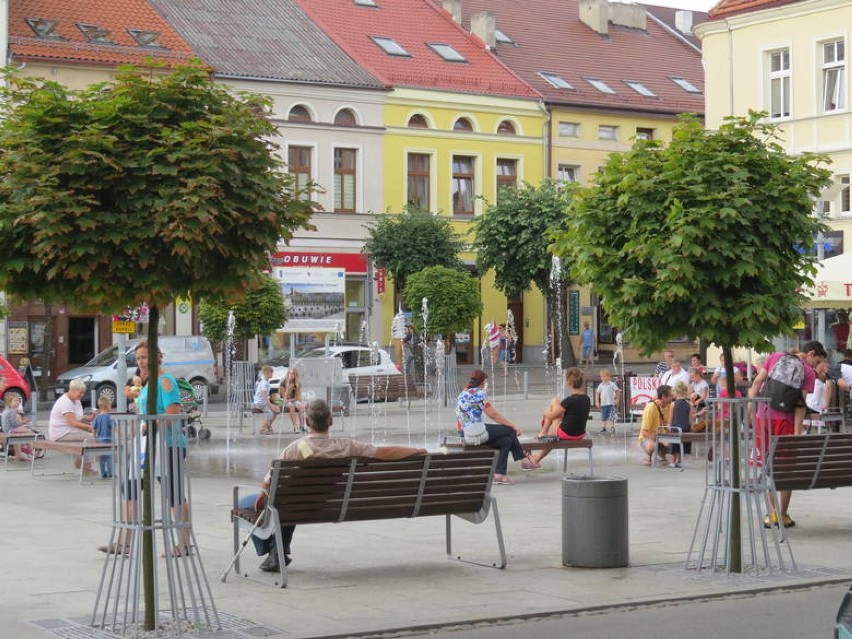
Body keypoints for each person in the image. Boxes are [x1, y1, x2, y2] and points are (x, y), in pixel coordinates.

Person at [240, 400, 426, 572]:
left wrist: (263, 493)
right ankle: (276, 553)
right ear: (331, 421)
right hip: (328, 503)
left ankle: (274, 552)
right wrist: (417, 450)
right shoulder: (347, 446)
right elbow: (385, 452)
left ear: (306, 421)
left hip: (295, 505)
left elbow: (270, 478)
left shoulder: (295, 448)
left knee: (247, 503)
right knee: (289, 501)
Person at [748, 340, 826, 529]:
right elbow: (800, 405)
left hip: (763, 418)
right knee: (786, 469)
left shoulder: (775, 357)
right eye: (817, 362)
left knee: (769, 466)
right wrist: (797, 433)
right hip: (785, 423)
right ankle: (782, 514)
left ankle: (772, 513)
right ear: (811, 353)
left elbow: (757, 383)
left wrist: (752, 410)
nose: (816, 367)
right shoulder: (807, 371)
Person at [135, 340, 193, 556]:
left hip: (169, 444)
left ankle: (184, 543)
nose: (141, 362)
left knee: (174, 493)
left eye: (145, 357)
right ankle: (126, 540)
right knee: (139, 488)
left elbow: (173, 412)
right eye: (138, 358)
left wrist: (150, 426)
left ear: (157, 357)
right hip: (152, 445)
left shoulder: (166, 381)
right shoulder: (149, 383)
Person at [456, 369, 540, 484]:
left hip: (465, 433)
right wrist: (514, 426)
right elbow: (494, 415)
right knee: (509, 430)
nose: (485, 384)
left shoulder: (463, 393)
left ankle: (499, 475)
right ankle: (524, 460)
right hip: (474, 433)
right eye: (485, 382)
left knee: (505, 441)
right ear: (481, 382)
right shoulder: (478, 393)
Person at [531, 367, 591, 464]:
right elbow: (574, 415)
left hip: (566, 433)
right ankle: (537, 458)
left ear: (569, 383)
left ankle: (542, 433)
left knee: (555, 401)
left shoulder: (569, 400)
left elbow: (551, 416)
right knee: (554, 426)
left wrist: (545, 413)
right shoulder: (587, 399)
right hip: (579, 434)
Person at [48, 377, 95, 472]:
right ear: (72, 390)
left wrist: (90, 418)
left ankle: (79, 461)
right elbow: (71, 422)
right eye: (80, 392)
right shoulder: (65, 402)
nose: (82, 395)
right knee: (91, 439)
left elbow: (78, 417)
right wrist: (89, 427)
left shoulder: (76, 400)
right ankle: (86, 467)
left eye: (83, 392)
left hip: (69, 431)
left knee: (85, 437)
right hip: (61, 433)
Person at [638, 385, 674, 466]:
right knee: (652, 445)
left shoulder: (669, 405)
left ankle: (662, 455)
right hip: (648, 437)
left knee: (676, 441)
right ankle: (648, 456)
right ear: (663, 397)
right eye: (671, 395)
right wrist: (661, 439)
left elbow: (667, 424)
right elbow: (644, 432)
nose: (673, 397)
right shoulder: (651, 408)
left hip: (661, 435)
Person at [667, 381, 695, 468]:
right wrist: (692, 426)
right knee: (683, 443)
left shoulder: (673, 404)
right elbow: (690, 419)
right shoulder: (690, 404)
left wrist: (668, 426)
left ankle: (672, 461)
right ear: (686, 392)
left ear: (674, 392)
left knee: (674, 444)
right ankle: (679, 461)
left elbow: (670, 418)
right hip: (686, 428)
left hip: (675, 428)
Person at [1, 394, 36, 462]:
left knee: (24, 430)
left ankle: (19, 454)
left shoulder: (7, 411)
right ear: (10, 403)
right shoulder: (11, 412)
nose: (18, 402)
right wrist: (23, 423)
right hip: (11, 430)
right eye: (15, 401)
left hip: (8, 430)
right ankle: (30, 449)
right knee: (29, 431)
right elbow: (15, 424)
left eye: (18, 401)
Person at [253, 365, 282, 435]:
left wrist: (274, 404)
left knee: (276, 410)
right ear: (266, 373)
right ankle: (262, 428)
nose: (272, 374)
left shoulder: (266, 382)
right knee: (270, 413)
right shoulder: (264, 383)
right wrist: (271, 406)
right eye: (271, 373)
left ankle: (268, 426)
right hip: (260, 403)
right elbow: (264, 396)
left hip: (263, 402)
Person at [92, 396, 114, 478]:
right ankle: (110, 473)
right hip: (108, 439)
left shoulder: (97, 417)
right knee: (109, 457)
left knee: (101, 457)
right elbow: (113, 427)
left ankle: (103, 473)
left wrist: (94, 438)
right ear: (107, 406)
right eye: (110, 406)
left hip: (99, 440)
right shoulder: (109, 417)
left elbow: (93, 429)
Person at [595, 369, 620, 435]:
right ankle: (603, 427)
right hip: (603, 403)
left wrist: (617, 399)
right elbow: (597, 393)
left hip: (611, 403)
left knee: (611, 416)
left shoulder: (611, 384)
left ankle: (612, 427)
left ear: (609, 377)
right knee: (603, 416)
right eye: (601, 377)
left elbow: (617, 391)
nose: (603, 378)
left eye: (604, 376)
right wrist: (597, 402)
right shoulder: (601, 385)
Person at [281, 369, 305, 433]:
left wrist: (293, 399)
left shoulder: (297, 383)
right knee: (291, 406)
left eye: (293, 374)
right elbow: (284, 398)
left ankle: (302, 426)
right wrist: (289, 390)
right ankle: (295, 426)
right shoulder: (283, 383)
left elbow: (298, 397)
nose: (291, 375)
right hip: (284, 401)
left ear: (295, 375)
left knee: (300, 406)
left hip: (293, 400)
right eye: (289, 374)